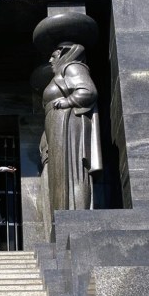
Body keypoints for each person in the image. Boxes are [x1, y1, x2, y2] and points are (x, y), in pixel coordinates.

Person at [40, 41, 102, 211]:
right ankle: (63, 215)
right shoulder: (62, 72)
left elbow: (88, 91)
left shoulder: (72, 67)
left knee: (72, 171)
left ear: (63, 54)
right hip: (56, 124)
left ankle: (75, 214)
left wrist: (68, 101)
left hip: (67, 122)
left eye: (53, 57)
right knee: (59, 175)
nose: (50, 61)